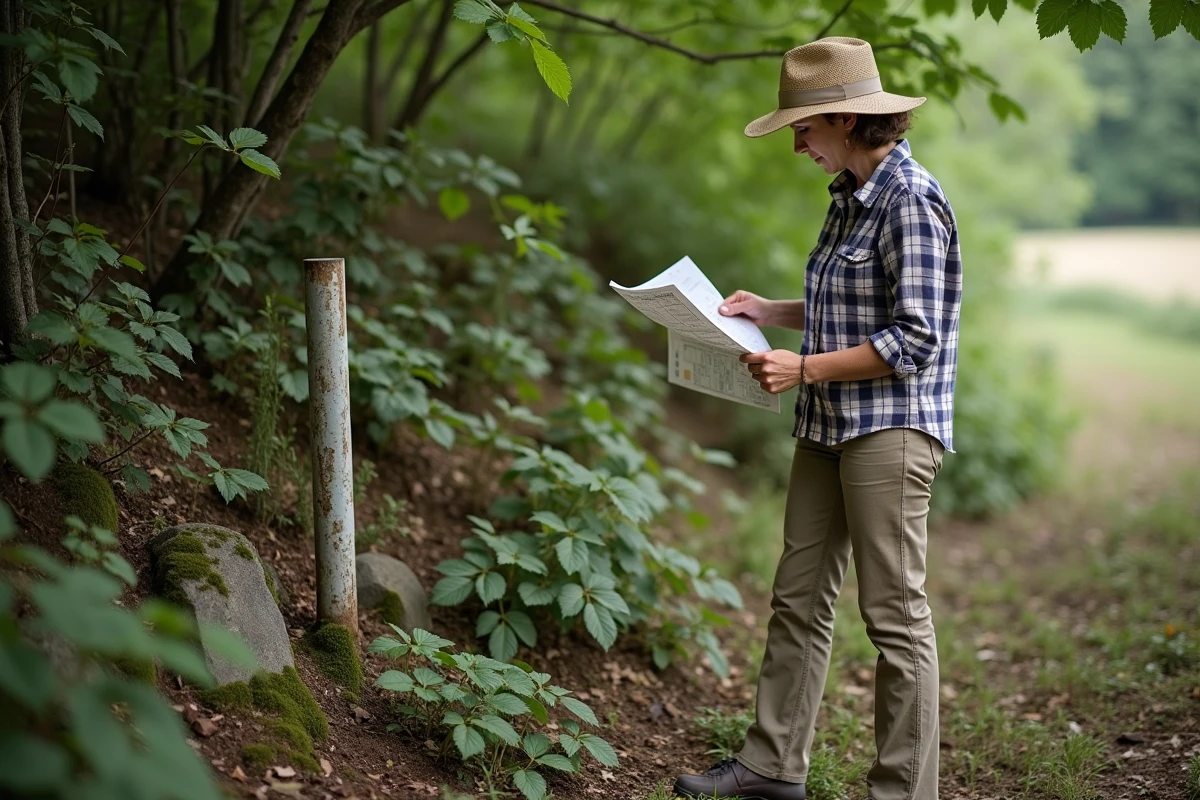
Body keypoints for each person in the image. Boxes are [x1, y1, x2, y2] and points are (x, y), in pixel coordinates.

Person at [672, 37, 962, 800]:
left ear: (842, 119)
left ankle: (904, 792)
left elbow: (915, 338)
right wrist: (769, 312)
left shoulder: (912, 200)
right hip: (828, 425)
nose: (796, 143)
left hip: (891, 432)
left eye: (802, 128)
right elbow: (849, 310)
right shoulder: (847, 198)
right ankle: (771, 768)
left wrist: (801, 367)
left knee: (895, 617)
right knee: (798, 596)